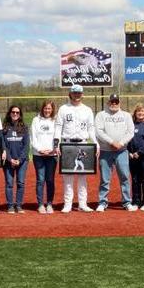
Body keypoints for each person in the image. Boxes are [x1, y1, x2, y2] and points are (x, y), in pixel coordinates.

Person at [54, 84, 98, 213]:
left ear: (82, 94)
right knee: (68, 175)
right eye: (74, 93)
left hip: (83, 143)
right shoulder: (63, 109)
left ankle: (82, 203)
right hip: (67, 143)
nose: (77, 95)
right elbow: (58, 127)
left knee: (82, 176)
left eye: (79, 93)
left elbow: (91, 128)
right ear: (70, 94)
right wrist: (56, 144)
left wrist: (96, 143)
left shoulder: (87, 110)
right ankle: (68, 203)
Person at [94, 94, 135, 212]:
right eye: (112, 102)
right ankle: (102, 202)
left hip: (122, 151)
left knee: (125, 177)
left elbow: (130, 132)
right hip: (105, 151)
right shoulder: (101, 115)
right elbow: (99, 131)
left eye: (116, 102)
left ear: (119, 103)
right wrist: (111, 141)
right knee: (105, 179)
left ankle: (127, 202)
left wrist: (120, 143)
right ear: (108, 102)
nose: (114, 104)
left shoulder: (126, 115)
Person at [30, 100, 57, 214]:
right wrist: (39, 149)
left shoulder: (56, 121)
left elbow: (57, 136)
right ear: (42, 109)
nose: (47, 110)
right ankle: (41, 204)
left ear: (52, 109)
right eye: (45, 108)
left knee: (50, 180)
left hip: (52, 155)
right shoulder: (36, 120)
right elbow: (33, 137)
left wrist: (53, 149)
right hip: (38, 155)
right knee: (40, 180)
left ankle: (50, 204)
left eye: (49, 108)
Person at [2, 105, 29, 214]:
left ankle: (18, 205)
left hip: (22, 161)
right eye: (13, 112)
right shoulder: (4, 127)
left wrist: (20, 159)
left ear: (20, 114)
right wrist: (10, 159)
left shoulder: (24, 127)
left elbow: (26, 145)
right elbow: (3, 145)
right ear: (9, 113)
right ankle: (10, 206)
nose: (15, 114)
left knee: (20, 183)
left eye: (17, 112)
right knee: (9, 183)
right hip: (8, 161)